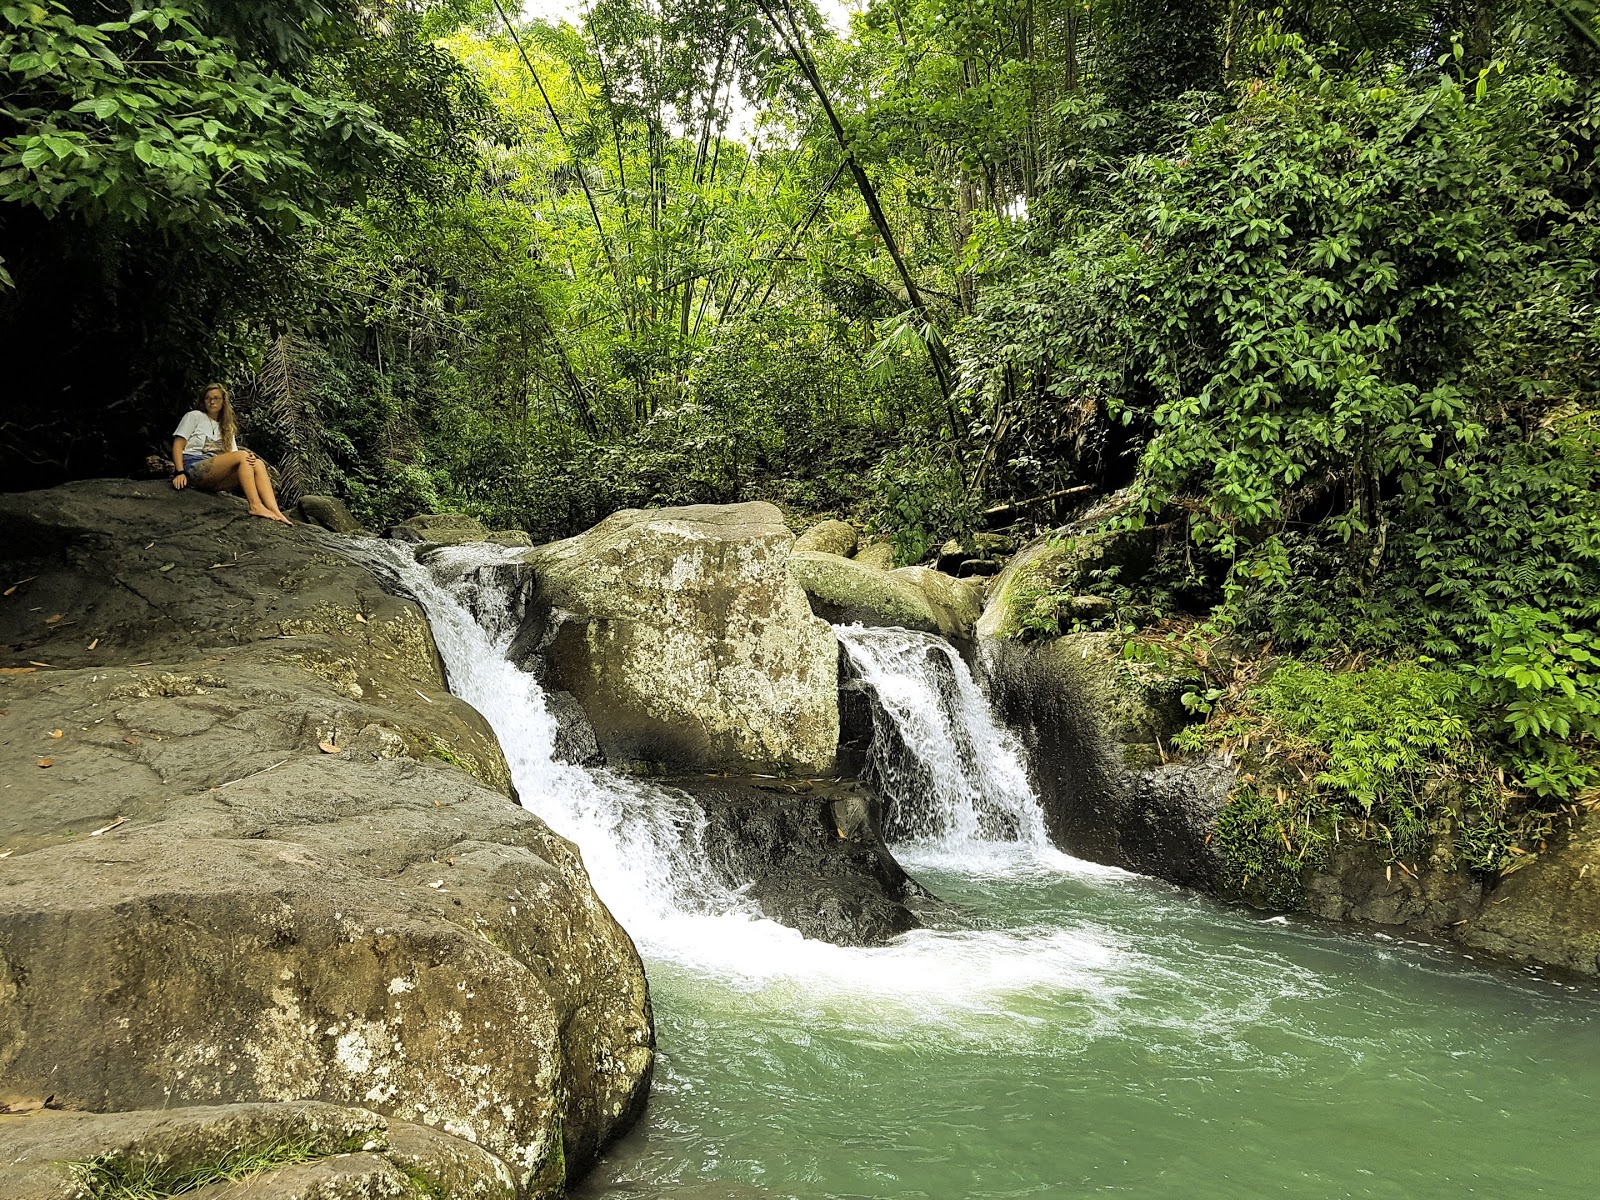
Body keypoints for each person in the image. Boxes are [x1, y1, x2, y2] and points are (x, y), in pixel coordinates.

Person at [171, 383, 291, 524]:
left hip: (216, 476)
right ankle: (255, 505)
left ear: (223, 401)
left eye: (216, 398)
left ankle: (276, 511)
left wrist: (249, 459)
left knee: (257, 464)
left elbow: (234, 456)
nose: (212, 402)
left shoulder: (226, 426)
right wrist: (179, 472)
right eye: (208, 398)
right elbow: (178, 445)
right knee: (243, 455)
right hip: (195, 467)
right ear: (203, 401)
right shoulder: (194, 416)